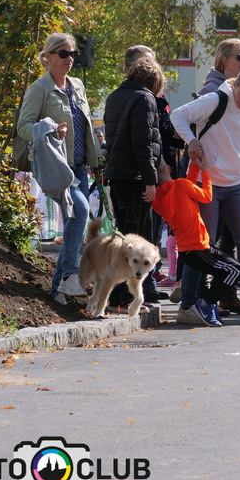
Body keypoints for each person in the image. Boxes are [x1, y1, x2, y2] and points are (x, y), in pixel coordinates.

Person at [170, 67, 240, 321]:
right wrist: (191, 141)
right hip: (209, 182)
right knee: (202, 244)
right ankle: (188, 305)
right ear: (235, 85)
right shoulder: (216, 99)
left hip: (238, 182)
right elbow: (179, 115)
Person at [16, 33, 101, 303]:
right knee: (79, 210)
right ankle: (69, 275)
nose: (69, 59)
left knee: (76, 217)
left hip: (79, 166)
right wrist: (50, 128)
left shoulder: (77, 86)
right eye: (63, 54)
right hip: (54, 165)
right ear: (48, 56)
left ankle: (58, 287)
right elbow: (23, 127)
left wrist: (94, 161)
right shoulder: (38, 89)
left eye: (73, 54)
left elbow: (86, 126)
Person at [103, 50, 166, 306]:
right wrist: (151, 180)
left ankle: (122, 293)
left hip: (117, 173)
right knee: (137, 238)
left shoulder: (114, 96)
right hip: (135, 176)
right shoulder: (145, 99)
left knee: (124, 236)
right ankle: (124, 295)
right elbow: (144, 143)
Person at [152, 156, 240, 327]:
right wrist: (205, 170)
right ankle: (206, 305)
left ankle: (189, 306)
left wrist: (194, 166)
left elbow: (187, 188)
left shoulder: (157, 199)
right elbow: (207, 196)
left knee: (204, 273)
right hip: (198, 247)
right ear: (170, 170)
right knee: (235, 270)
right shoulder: (181, 185)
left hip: (187, 249)